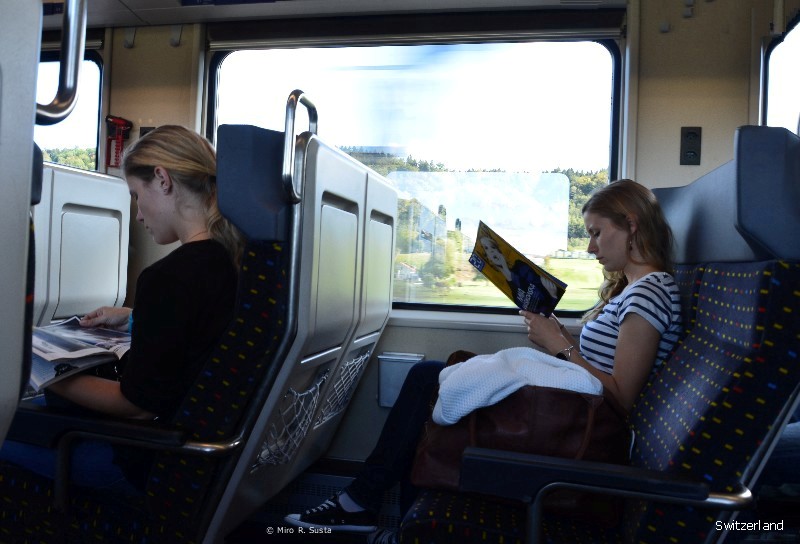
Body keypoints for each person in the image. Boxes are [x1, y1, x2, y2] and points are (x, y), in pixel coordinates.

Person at [284, 179, 683, 542]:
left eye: (596, 233)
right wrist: (559, 336)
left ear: (631, 224)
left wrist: (560, 347)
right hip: (577, 411)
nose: (591, 247)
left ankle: (361, 504)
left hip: (586, 425)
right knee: (435, 385)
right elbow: (600, 363)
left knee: (430, 381)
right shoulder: (632, 290)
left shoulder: (648, 294)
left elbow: (621, 396)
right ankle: (378, 513)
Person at [0, 125, 244, 491]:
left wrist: (38, 374)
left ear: (162, 179)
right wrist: (135, 317)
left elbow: (137, 407)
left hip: (142, 457)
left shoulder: (169, 277)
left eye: (136, 195)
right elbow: (198, 328)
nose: (139, 215)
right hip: (201, 451)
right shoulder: (232, 260)